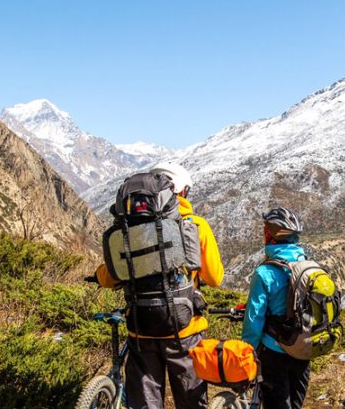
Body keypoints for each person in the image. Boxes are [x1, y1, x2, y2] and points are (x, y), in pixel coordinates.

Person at [123, 161, 224, 409]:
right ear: (183, 192)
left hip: (140, 327)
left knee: (145, 402)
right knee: (191, 400)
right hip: (185, 329)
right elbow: (214, 277)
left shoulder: (129, 227)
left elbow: (110, 275)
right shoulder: (196, 225)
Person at [241, 207, 310, 409]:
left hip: (274, 351)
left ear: (271, 235)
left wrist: (248, 351)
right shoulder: (305, 264)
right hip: (302, 348)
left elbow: (254, 320)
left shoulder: (265, 272)